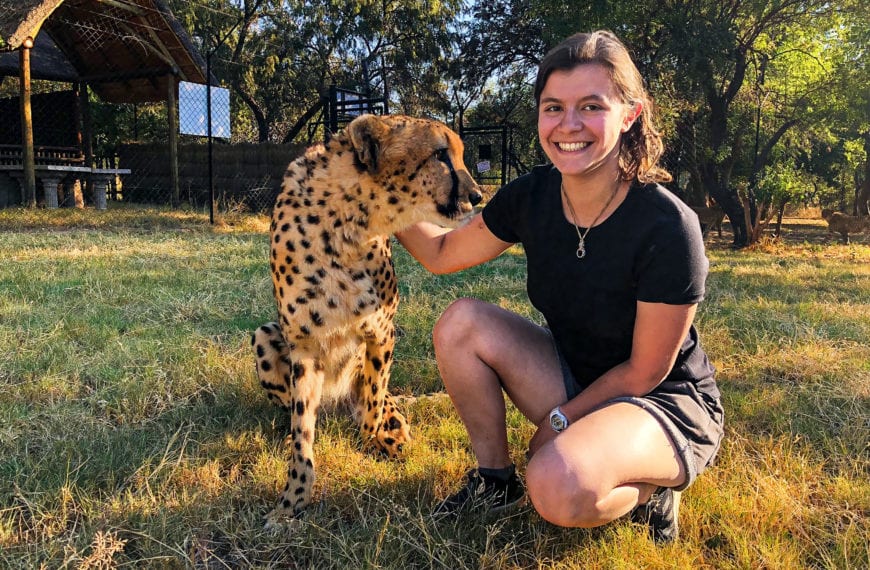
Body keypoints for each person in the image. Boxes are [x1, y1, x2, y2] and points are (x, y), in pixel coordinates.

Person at [395, 30, 724, 543]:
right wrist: (376, 197)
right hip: (576, 374)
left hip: (661, 400)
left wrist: (559, 421)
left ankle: (653, 489)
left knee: (554, 484)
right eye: (553, 108)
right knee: (462, 323)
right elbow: (441, 254)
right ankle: (494, 481)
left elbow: (645, 371)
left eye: (591, 106)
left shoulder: (667, 226)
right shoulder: (532, 197)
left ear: (630, 115)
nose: (569, 125)